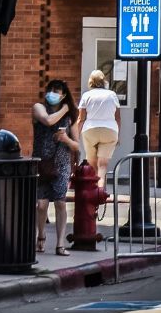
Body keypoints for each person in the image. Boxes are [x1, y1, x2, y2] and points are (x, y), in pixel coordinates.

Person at [32, 78, 81, 255]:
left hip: (61, 164)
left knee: (60, 203)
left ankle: (60, 244)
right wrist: (66, 108)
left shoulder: (71, 118)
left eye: (57, 91)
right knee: (41, 205)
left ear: (64, 95)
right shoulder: (39, 108)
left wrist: (66, 139)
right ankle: (41, 236)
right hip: (41, 163)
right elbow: (48, 121)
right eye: (51, 90)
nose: (53, 93)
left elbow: (77, 146)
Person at [78, 71, 121, 218]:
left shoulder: (86, 96)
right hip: (110, 130)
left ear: (90, 82)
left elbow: (81, 118)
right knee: (103, 165)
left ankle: (92, 194)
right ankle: (99, 194)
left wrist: (77, 135)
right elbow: (117, 117)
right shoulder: (112, 95)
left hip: (90, 130)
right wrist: (118, 134)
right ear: (104, 81)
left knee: (92, 164)